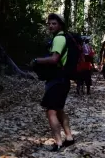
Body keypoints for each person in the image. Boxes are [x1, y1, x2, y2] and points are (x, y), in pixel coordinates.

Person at [31, 13, 75, 152]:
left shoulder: (59, 39)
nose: (50, 26)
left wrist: (36, 60)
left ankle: (58, 142)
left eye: (54, 23)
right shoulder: (63, 38)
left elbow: (55, 59)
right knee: (59, 110)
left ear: (60, 25)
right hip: (62, 79)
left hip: (58, 80)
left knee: (51, 111)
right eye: (49, 23)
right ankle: (69, 138)